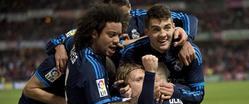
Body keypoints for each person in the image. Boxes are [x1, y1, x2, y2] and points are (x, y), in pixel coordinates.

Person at [120, 4, 214, 104]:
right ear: (146, 32)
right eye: (156, 29)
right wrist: (123, 90)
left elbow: (198, 95)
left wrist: (175, 91)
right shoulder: (132, 52)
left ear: (174, 27)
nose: (163, 34)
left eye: (167, 28)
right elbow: (122, 80)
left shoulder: (191, 53)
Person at [65, 3, 136, 104]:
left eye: (118, 35)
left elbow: (68, 40)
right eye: (111, 35)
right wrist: (136, 100)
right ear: (94, 33)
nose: (117, 41)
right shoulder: (92, 65)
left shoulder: (84, 49)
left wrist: (114, 90)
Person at [46, 0, 198, 73]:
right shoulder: (103, 26)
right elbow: (65, 37)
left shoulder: (142, 16)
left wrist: (186, 40)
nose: (123, 21)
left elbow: (189, 18)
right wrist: (59, 46)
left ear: (130, 8)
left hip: (148, 75)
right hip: (118, 78)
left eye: (125, 15)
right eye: (118, 16)